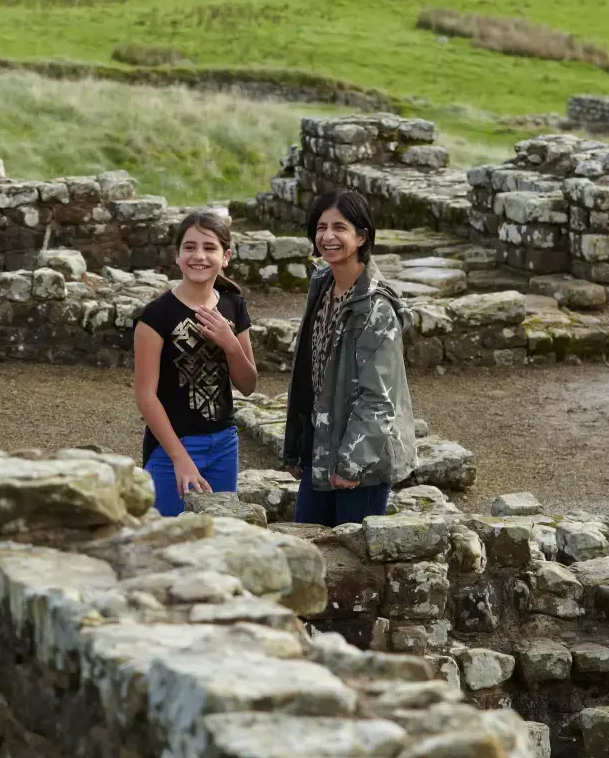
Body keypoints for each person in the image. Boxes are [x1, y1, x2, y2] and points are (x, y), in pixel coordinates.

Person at [283, 190, 416, 526]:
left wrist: (352, 463)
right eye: (321, 227)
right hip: (321, 444)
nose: (328, 236)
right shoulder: (323, 285)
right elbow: (310, 375)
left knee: (352, 566)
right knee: (309, 550)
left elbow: (378, 397)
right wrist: (301, 445)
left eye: (339, 227)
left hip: (362, 461)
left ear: (361, 237)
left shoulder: (376, 308)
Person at [133, 210, 258, 517]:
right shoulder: (155, 316)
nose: (198, 256)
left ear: (225, 256)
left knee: (219, 538)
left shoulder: (233, 305)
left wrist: (230, 343)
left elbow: (248, 385)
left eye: (209, 247)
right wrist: (180, 458)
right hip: (171, 448)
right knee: (166, 541)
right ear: (177, 256)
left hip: (224, 446)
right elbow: (146, 396)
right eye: (189, 247)